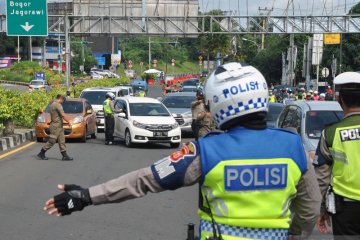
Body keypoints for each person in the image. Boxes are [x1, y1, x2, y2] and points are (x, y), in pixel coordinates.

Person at [44, 63, 321, 239]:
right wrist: (295, 234)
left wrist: (86, 196)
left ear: (219, 104)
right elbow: (310, 207)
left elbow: (145, 180)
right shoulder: (292, 146)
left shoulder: (206, 151)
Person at [314, 72, 360, 239]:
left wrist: (321, 210)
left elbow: (321, 178)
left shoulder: (331, 133)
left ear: (340, 100)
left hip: (344, 210)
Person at [37, 94, 73, 161]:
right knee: (52, 141)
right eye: (63, 101)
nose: (63, 102)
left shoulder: (52, 104)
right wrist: (69, 122)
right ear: (61, 99)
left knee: (62, 140)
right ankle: (41, 153)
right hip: (55, 126)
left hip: (59, 126)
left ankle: (65, 156)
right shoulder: (57, 105)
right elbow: (63, 115)